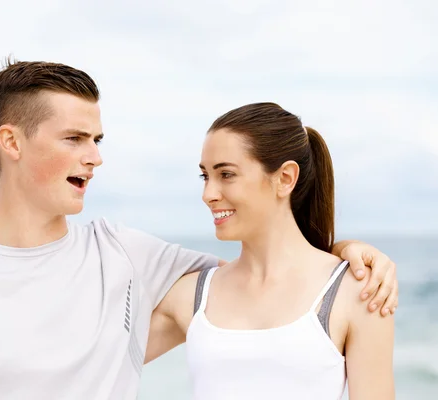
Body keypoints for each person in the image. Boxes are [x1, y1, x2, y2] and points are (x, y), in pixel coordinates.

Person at [0, 59, 398, 400]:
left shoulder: (124, 255)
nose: (95, 157)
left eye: (96, 139)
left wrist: (350, 253)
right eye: (74, 138)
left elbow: (275, 282)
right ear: (12, 141)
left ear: (285, 177)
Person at [143, 103, 395, 399]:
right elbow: (91, 363)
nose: (208, 194)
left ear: (286, 178)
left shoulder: (358, 291)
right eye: (205, 176)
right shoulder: (192, 296)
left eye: (226, 174)